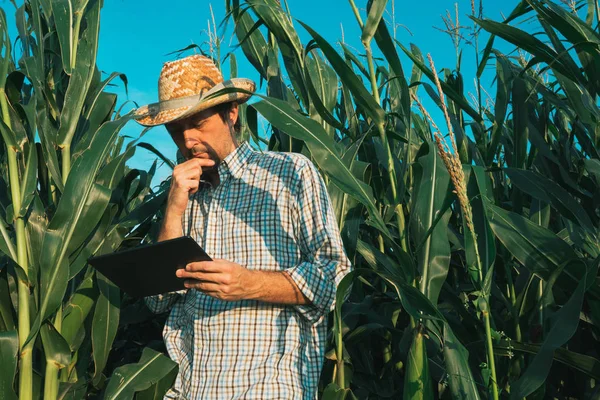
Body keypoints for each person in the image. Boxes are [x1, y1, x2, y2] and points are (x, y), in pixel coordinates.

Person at [134, 54, 351, 399]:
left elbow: (335, 278)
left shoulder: (290, 173)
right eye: (175, 130)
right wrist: (173, 210)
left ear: (231, 113)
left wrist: (250, 284)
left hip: (267, 388)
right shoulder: (183, 192)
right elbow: (157, 303)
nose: (188, 140)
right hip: (189, 390)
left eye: (198, 124)